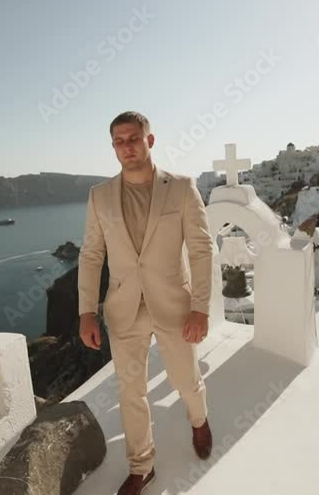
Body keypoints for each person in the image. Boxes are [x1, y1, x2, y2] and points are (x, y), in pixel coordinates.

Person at [78, 111, 214, 495]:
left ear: (149, 141)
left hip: (174, 305)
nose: (127, 147)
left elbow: (201, 249)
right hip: (123, 310)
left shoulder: (182, 188)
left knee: (185, 379)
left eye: (134, 139)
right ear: (113, 147)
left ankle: (199, 420)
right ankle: (143, 467)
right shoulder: (99, 196)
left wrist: (201, 308)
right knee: (130, 392)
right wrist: (86, 311)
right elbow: (92, 254)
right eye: (119, 142)